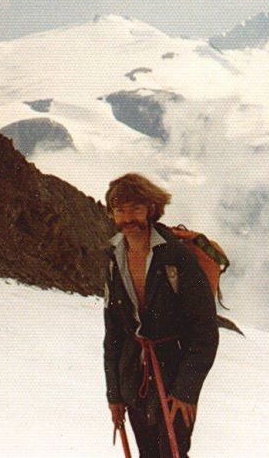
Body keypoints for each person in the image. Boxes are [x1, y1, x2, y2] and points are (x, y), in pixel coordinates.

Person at [103, 173, 219, 457]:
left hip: (174, 375)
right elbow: (114, 335)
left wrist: (186, 390)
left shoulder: (177, 258)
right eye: (120, 210)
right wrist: (114, 395)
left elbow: (205, 332)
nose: (127, 218)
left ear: (151, 210)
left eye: (135, 209)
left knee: (173, 453)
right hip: (134, 378)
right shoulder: (113, 260)